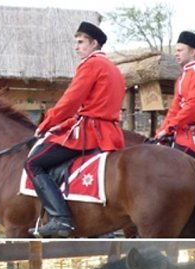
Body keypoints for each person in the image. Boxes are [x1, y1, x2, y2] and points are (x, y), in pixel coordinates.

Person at [25, 21, 126, 238]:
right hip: (109, 133)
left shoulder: (90, 64)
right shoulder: (114, 69)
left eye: (81, 42)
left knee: (34, 163)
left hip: (90, 132)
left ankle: (60, 219)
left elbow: (70, 101)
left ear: (94, 43)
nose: (76, 47)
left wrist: (46, 124)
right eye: (76, 42)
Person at [155, 31, 195, 160]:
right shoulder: (181, 77)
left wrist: (169, 129)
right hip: (181, 134)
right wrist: (161, 131)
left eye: (180, 50)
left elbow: (192, 108)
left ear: (193, 52)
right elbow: (174, 110)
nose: (176, 54)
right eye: (176, 50)